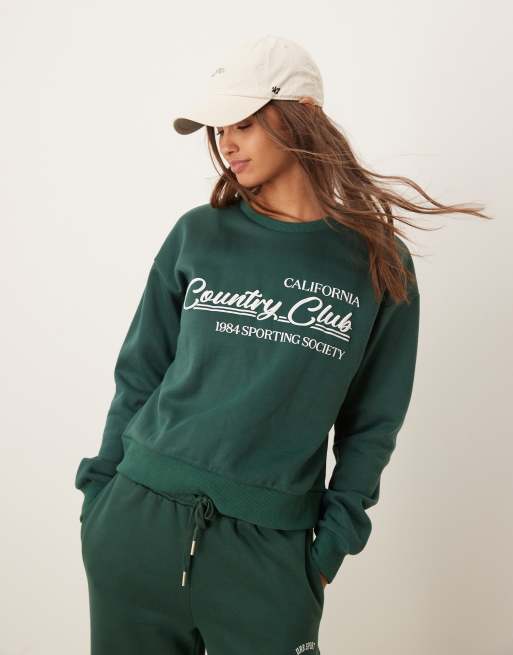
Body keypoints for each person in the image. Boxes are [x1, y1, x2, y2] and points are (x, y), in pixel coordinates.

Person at [75, 34, 489, 655]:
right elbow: (140, 374)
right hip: (136, 525)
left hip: (270, 556)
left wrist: (327, 550)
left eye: (243, 123)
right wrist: (99, 496)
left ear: (303, 115)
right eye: (219, 129)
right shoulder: (198, 235)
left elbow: (373, 423)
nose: (226, 143)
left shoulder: (377, 263)